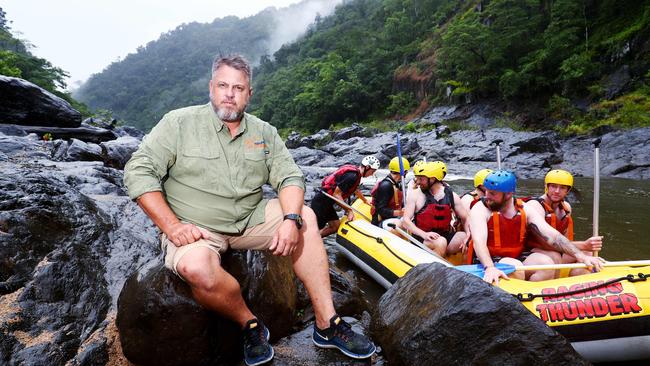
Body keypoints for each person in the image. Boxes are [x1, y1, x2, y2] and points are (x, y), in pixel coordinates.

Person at [123, 55, 375, 366]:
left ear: (249, 94)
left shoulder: (264, 132)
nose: (229, 94)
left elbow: (290, 176)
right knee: (196, 268)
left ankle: (327, 324)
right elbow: (139, 171)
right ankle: (250, 324)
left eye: (238, 88)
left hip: (250, 219)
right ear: (211, 87)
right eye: (223, 86)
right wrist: (172, 226)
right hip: (196, 227)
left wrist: (290, 218)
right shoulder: (178, 123)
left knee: (307, 218)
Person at [467, 170, 605, 285]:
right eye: (487, 192)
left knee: (546, 264)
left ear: (508, 194)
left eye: (493, 193)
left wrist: (580, 256)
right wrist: (489, 267)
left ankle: (535, 299)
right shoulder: (480, 208)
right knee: (515, 266)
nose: (487, 197)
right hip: (487, 259)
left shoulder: (524, 209)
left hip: (517, 255)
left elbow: (553, 236)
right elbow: (479, 243)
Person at [524, 169, 603, 276]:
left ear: (568, 191)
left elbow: (566, 241)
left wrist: (585, 248)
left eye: (562, 188)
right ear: (547, 186)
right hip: (532, 251)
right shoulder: (535, 206)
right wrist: (584, 245)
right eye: (553, 186)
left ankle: (578, 282)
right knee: (555, 255)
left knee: (587, 252)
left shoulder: (566, 208)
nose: (557, 191)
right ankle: (554, 286)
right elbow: (545, 243)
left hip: (555, 248)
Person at [402, 161, 469, 257]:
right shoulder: (414, 195)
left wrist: (468, 234)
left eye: (421, 179)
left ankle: (462, 269)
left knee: (465, 238)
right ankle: (434, 269)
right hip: (422, 238)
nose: (418, 182)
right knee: (440, 242)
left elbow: (466, 218)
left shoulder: (451, 195)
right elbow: (405, 221)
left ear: (432, 179)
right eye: (417, 178)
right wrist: (424, 234)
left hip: (445, 235)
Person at [310, 156, 379, 237]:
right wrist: (349, 210)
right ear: (367, 167)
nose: (372, 174)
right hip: (321, 202)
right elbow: (336, 194)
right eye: (372, 171)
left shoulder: (356, 175)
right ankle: (307, 243)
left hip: (327, 203)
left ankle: (313, 240)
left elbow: (355, 190)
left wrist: (364, 200)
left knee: (335, 226)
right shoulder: (352, 176)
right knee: (314, 229)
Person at [370, 157, 409, 227]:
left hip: (392, 218)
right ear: (403, 172)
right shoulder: (386, 186)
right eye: (406, 171)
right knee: (398, 223)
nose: (406, 173)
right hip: (380, 221)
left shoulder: (396, 184)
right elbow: (380, 209)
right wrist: (398, 213)